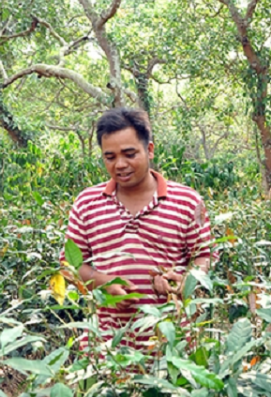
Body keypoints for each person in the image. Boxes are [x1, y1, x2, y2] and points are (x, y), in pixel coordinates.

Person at [62, 107, 215, 350]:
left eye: (129, 154)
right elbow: (70, 266)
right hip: (107, 348)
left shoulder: (188, 202)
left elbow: (204, 256)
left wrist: (184, 280)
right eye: (110, 157)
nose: (120, 164)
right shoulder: (87, 203)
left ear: (150, 150)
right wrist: (102, 282)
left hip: (173, 345)